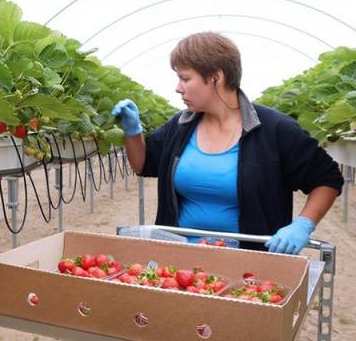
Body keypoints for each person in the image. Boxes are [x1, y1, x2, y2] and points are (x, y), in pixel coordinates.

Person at [112, 32, 344, 254]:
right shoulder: (179, 126)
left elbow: (326, 179)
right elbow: (143, 164)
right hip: (180, 260)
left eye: (185, 78)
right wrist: (133, 131)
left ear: (216, 77)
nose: (178, 87)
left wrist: (303, 224)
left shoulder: (275, 130)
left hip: (250, 264)